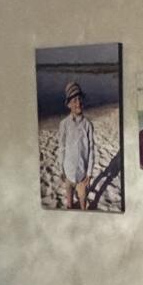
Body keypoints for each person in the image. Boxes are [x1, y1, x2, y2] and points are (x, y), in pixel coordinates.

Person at [57, 78, 94, 209]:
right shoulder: (64, 124)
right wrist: (61, 170)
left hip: (82, 175)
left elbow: (91, 150)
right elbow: (61, 148)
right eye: (74, 101)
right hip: (68, 172)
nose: (78, 103)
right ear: (68, 105)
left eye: (79, 99)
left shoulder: (88, 125)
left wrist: (89, 173)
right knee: (69, 203)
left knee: (83, 202)